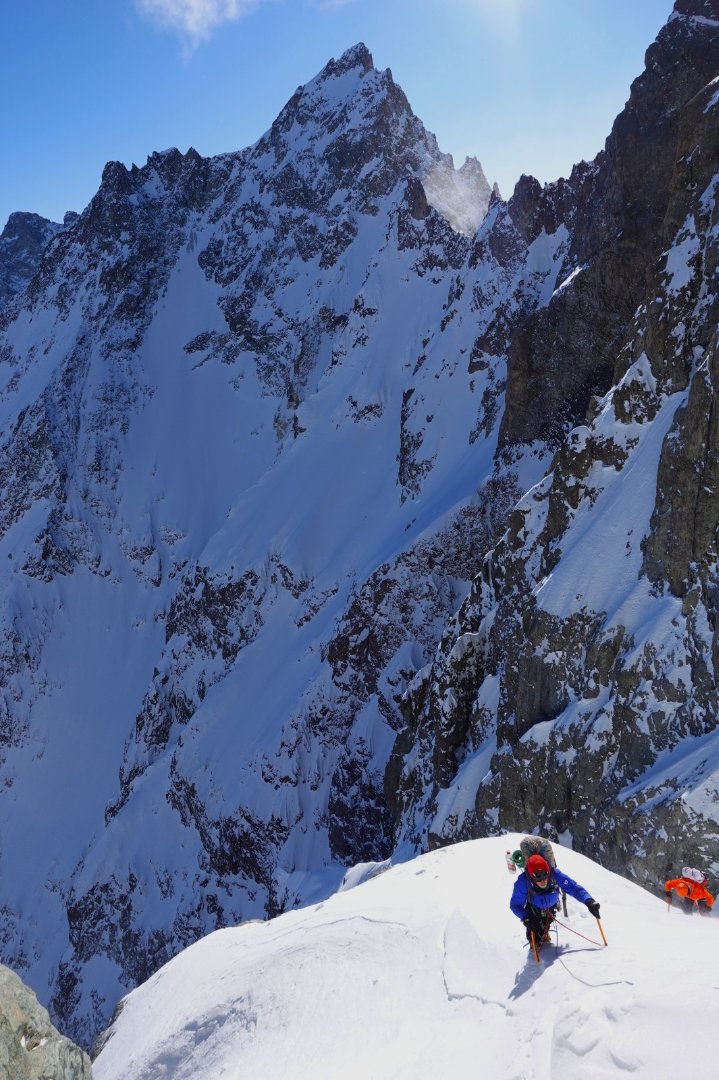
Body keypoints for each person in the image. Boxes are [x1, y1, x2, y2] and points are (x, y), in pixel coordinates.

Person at [510, 853, 601, 945]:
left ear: (548, 871)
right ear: (531, 876)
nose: (543, 881)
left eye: (545, 876)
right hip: (534, 907)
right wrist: (526, 918)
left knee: (547, 922)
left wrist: (588, 900)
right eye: (538, 879)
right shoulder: (523, 881)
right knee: (535, 931)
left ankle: (544, 931)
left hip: (551, 905)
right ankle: (536, 938)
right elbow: (515, 905)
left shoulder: (554, 874)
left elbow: (573, 888)